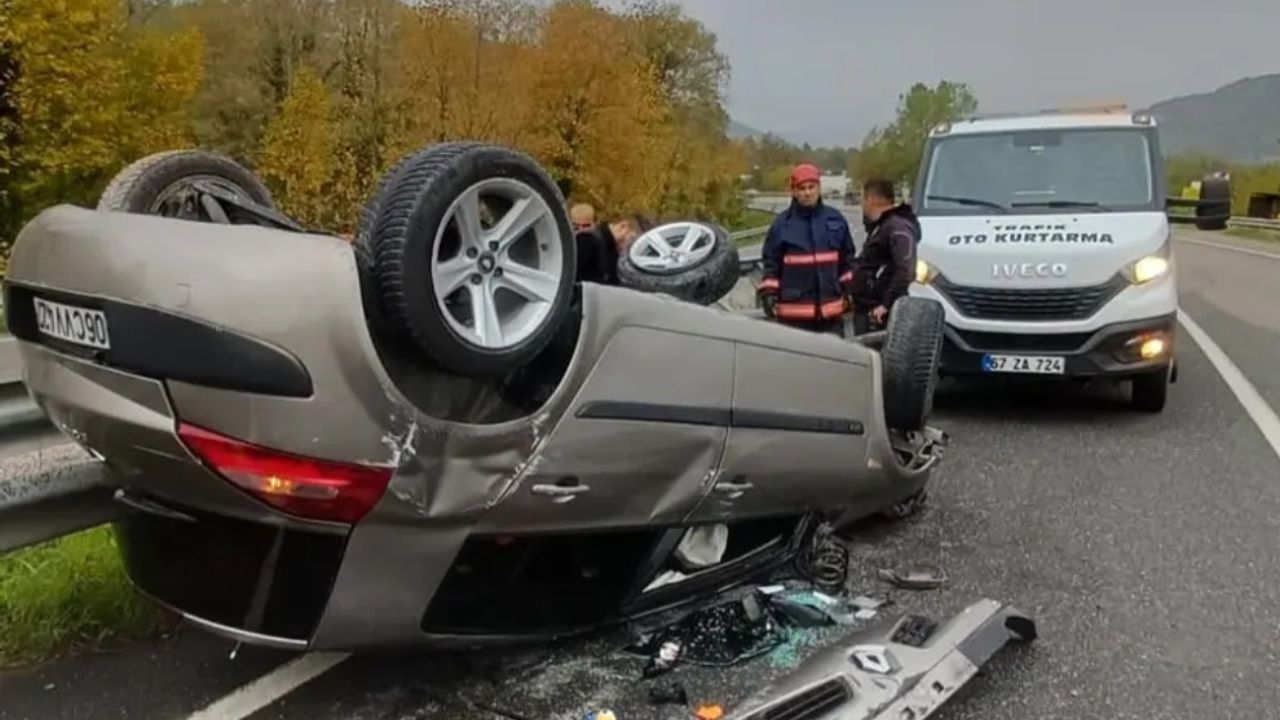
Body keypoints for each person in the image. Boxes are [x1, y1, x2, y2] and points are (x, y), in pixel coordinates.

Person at [757, 163, 857, 334]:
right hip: (794, 319)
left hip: (831, 315)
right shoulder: (782, 225)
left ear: (819, 188)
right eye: (802, 188)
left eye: (812, 187)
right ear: (794, 192)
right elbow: (771, 262)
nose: (808, 192)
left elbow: (847, 259)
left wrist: (851, 290)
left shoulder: (835, 220)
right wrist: (769, 293)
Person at [850, 178, 919, 334]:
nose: (862, 204)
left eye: (862, 198)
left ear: (871, 199)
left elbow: (905, 270)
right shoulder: (881, 226)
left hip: (880, 313)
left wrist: (885, 305)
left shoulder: (897, 226)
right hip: (867, 307)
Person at [574, 213, 651, 285]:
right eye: (631, 239)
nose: (627, 248)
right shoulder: (588, 242)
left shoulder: (609, 247)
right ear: (623, 226)